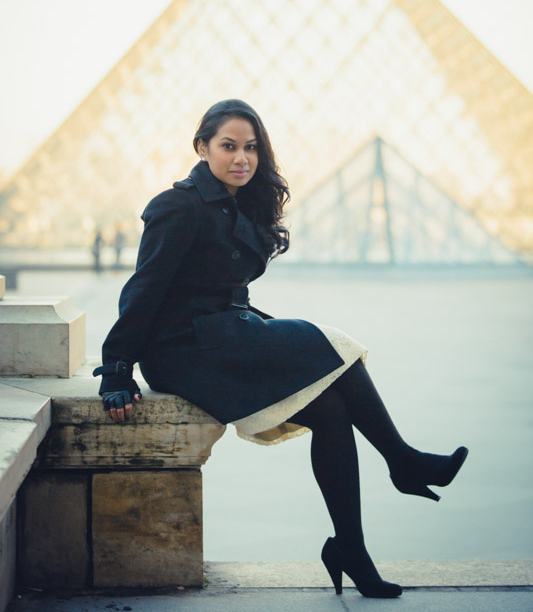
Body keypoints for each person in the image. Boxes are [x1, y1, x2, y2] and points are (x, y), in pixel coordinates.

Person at [93, 99, 468, 599]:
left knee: (333, 410)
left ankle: (351, 548)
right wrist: (118, 370)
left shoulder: (242, 202)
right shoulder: (177, 206)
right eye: (228, 146)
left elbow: (230, 289)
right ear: (202, 147)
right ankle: (402, 460)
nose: (241, 158)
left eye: (251, 148)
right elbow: (143, 291)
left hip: (225, 337)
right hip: (184, 351)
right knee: (334, 347)